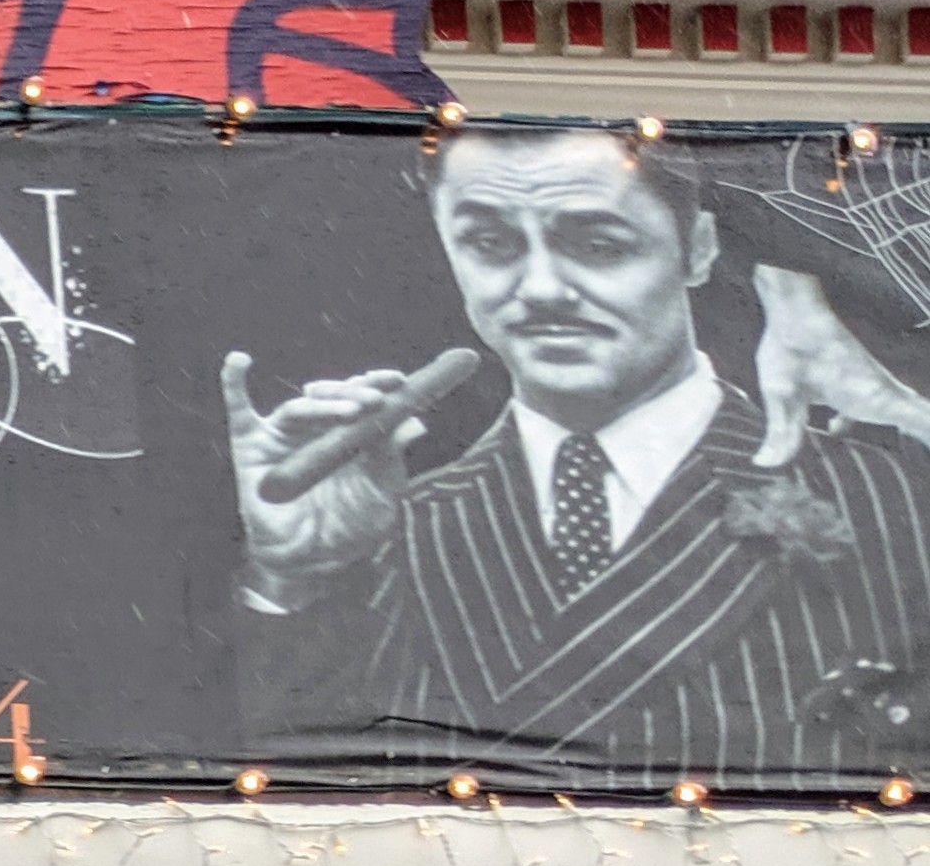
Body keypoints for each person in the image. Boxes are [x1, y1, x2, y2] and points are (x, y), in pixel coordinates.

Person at [222, 126, 930, 785]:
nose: (540, 291)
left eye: (597, 245)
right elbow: (308, 788)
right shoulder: (397, 526)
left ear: (698, 249)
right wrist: (294, 581)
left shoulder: (881, 494)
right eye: (490, 245)